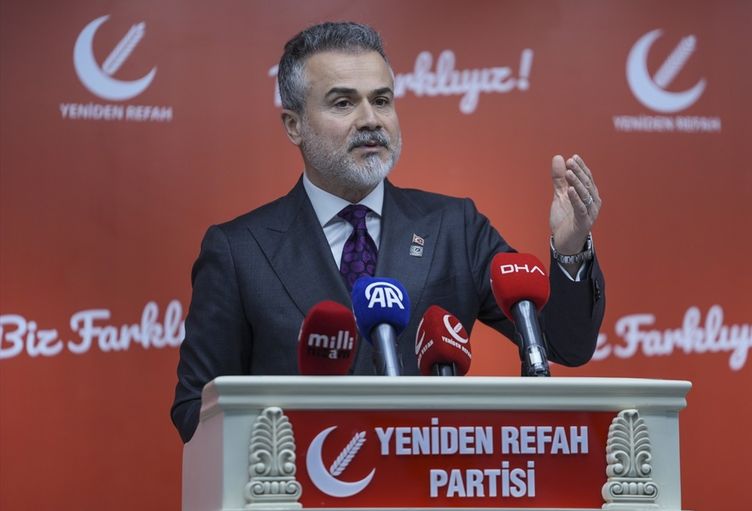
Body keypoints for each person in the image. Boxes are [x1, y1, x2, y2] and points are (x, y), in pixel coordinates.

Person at [171, 21, 605, 443]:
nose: (370, 120)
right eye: (343, 103)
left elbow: (564, 344)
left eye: (381, 100)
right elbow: (196, 411)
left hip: (430, 477)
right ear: (294, 125)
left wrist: (570, 249)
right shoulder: (239, 250)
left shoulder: (455, 227)